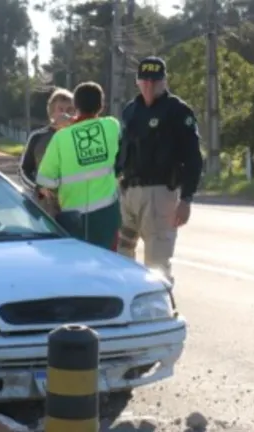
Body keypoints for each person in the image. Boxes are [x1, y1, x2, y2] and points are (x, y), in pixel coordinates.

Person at [114, 56, 203, 284]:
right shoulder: (130, 110)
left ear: (165, 81)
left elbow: (193, 158)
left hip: (160, 192)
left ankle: (160, 312)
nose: (149, 85)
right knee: (122, 257)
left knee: (157, 264)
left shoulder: (178, 111)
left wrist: (186, 199)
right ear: (137, 82)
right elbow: (123, 150)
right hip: (129, 193)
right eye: (144, 80)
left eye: (155, 80)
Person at [35, 82, 122, 250]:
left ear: (75, 106)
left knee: (77, 266)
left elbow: (45, 182)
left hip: (73, 218)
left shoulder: (61, 137)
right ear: (102, 105)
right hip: (107, 215)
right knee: (108, 264)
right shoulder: (112, 125)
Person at [19, 88, 75, 216]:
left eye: (70, 110)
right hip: (44, 207)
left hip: (74, 205)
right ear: (51, 113)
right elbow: (23, 171)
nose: (65, 114)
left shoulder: (80, 137)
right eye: (61, 110)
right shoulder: (37, 137)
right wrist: (38, 187)